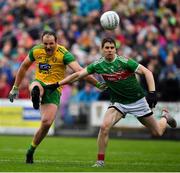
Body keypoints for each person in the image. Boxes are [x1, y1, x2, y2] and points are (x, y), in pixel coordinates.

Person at [45, 37, 177, 167]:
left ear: (115, 49)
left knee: (158, 132)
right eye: (106, 48)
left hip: (137, 101)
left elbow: (147, 72)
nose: (109, 50)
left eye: (112, 48)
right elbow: (78, 75)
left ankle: (165, 117)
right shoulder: (98, 65)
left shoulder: (124, 62)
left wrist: (152, 93)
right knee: (104, 127)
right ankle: (100, 161)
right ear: (102, 49)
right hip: (118, 102)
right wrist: (57, 84)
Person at [8, 31, 106, 164]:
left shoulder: (64, 54)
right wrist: (15, 87)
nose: (48, 47)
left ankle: (31, 150)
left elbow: (80, 71)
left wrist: (97, 84)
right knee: (36, 86)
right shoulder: (36, 50)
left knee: (47, 123)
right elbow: (24, 66)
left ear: (56, 42)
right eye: (45, 44)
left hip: (55, 88)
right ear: (42, 43)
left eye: (51, 44)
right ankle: (36, 95)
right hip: (40, 82)